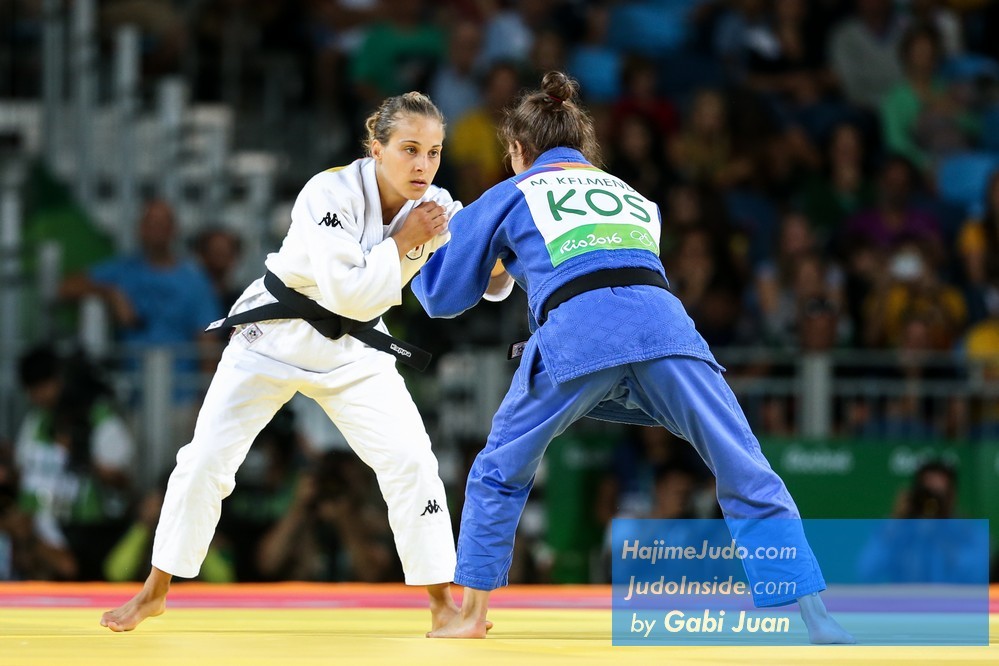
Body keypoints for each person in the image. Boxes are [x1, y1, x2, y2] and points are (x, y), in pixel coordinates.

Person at [412, 72, 854, 644]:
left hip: (580, 334)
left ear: (518, 150)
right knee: (743, 463)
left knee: (500, 468)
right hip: (667, 330)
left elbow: (442, 296)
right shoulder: (634, 196)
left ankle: (471, 615)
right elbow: (608, 259)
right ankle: (818, 616)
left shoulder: (513, 192)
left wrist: (424, 242)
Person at [100, 91, 461, 632]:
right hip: (273, 336)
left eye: (433, 153)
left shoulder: (437, 205)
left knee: (412, 460)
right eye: (409, 149)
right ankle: (153, 591)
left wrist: (501, 268)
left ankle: (441, 602)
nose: (422, 165)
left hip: (352, 350)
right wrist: (405, 240)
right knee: (206, 459)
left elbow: (476, 260)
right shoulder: (329, 192)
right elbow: (348, 293)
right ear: (376, 149)